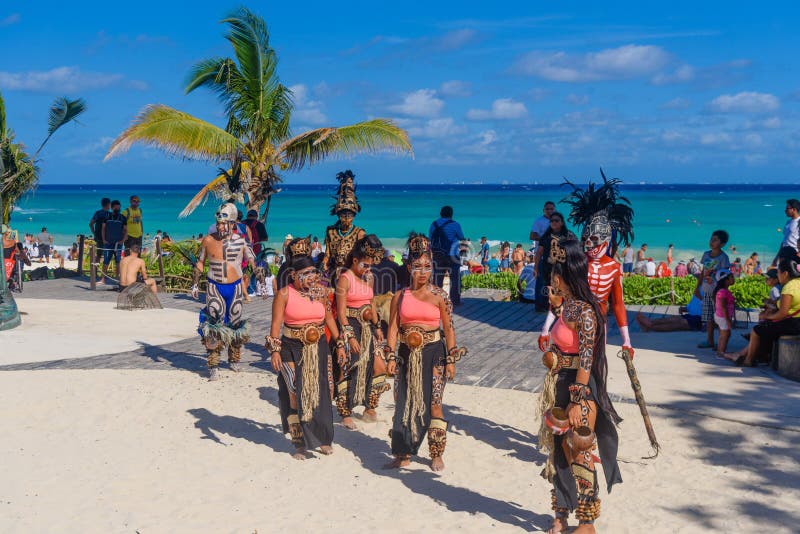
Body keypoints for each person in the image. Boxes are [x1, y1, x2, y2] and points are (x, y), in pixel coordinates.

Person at [536, 239, 621, 533]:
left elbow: (586, 358)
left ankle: (587, 521)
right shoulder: (567, 306)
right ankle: (560, 514)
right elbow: (564, 346)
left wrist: (577, 398)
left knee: (581, 448)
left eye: (554, 274)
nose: (552, 279)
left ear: (566, 274)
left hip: (579, 389)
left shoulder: (585, 312)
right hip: (559, 383)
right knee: (559, 450)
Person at [385, 234, 465, 472]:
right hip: (405, 354)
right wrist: (390, 356)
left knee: (434, 404)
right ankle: (403, 453)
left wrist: (451, 359)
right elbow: (392, 328)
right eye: (417, 267)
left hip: (434, 353)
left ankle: (436, 453)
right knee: (403, 402)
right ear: (408, 267)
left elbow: (449, 328)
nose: (422, 272)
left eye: (427, 267)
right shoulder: (399, 297)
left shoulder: (440, 296)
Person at [544, 174, 635, 359]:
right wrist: (546, 328)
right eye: (586, 240)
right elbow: (559, 297)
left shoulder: (614, 268)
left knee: (596, 367)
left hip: (599, 324)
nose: (590, 246)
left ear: (606, 241)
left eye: (595, 240)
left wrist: (626, 340)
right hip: (571, 322)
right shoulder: (578, 262)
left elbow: (618, 304)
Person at [266, 254, 346, 459]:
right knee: (294, 392)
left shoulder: (321, 293)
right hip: (291, 348)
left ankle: (324, 439)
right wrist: (274, 350)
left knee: (323, 391)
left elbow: (329, 318)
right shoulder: (284, 294)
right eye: (306, 274)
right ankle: (299, 443)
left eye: (314, 272)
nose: (312, 277)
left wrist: (339, 344)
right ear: (293, 275)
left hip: (318, 347)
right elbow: (276, 325)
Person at [191, 203, 256, 381]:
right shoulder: (208, 240)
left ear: (232, 223)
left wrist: (257, 270)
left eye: (223, 223)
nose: (219, 227)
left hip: (234, 286)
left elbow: (251, 258)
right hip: (214, 285)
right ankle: (213, 364)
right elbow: (200, 262)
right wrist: (195, 284)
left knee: (235, 323)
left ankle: (234, 359)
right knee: (214, 323)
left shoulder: (241, 241)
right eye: (218, 223)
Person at [334, 235, 389, 429]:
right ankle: (345, 411)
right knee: (347, 366)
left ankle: (370, 406)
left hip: (367, 329)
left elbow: (371, 303)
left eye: (371, 265)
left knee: (380, 367)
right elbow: (340, 312)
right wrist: (348, 335)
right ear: (355, 260)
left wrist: (378, 326)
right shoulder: (344, 279)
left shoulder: (369, 278)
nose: (368, 269)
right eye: (365, 265)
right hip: (350, 326)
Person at [724, 257, 800, 366]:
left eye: (778, 273)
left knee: (757, 330)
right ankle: (740, 354)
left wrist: (767, 316)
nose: (778, 276)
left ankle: (748, 360)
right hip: (796, 322)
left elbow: (782, 313)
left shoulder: (789, 287)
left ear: (786, 273)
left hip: (793, 324)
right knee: (763, 328)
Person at [322, 170, 366, 279]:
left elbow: (362, 257)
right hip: (333, 273)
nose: (346, 218)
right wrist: (323, 266)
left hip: (352, 274)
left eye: (349, 215)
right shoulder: (331, 232)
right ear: (338, 215)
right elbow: (327, 254)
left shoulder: (359, 233)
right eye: (343, 214)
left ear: (354, 215)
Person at [533, 212, 577, 311]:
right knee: (546, 289)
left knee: (564, 289)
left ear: (561, 222)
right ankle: (543, 307)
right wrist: (536, 267)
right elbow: (539, 253)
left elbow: (576, 250)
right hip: (547, 268)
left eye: (556, 220)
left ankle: (563, 308)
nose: (553, 222)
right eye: (551, 221)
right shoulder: (546, 236)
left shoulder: (569, 235)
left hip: (563, 268)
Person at [696, 230, 731, 349]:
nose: (712, 242)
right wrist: (697, 287)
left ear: (722, 244)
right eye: (711, 239)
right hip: (706, 290)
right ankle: (709, 340)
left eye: (715, 240)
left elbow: (726, 276)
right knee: (708, 317)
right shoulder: (706, 255)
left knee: (720, 317)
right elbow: (702, 272)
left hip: (718, 293)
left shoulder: (724, 258)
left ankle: (721, 341)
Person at [429, 205, 465, 305]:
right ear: (451, 214)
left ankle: (436, 301)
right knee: (455, 279)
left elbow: (431, 239)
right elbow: (462, 239)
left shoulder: (434, 224)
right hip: (453, 256)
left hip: (438, 255)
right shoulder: (455, 224)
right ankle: (455, 300)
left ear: (441, 213)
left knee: (437, 279)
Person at [636, 294, 703, 332]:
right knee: (675, 318)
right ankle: (651, 323)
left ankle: (651, 327)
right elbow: (696, 303)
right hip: (693, 315)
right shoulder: (701, 287)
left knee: (682, 322)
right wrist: (686, 308)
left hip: (701, 319)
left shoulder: (708, 287)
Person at [101, 201, 127, 284]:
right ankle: (103, 279)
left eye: (119, 207)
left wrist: (122, 241)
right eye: (116, 207)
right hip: (108, 243)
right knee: (106, 261)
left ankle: (117, 279)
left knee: (118, 261)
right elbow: (103, 228)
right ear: (112, 208)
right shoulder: (107, 216)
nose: (118, 209)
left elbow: (126, 230)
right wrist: (104, 239)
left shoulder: (123, 218)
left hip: (118, 244)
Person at [713, 269, 735, 357]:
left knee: (725, 334)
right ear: (725, 280)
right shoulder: (722, 291)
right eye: (731, 277)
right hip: (723, 317)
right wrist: (728, 320)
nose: (734, 279)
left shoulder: (723, 290)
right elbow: (723, 307)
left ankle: (720, 350)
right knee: (724, 335)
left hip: (721, 316)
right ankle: (720, 352)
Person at [773, 199, 800, 265]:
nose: (785, 211)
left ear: (794, 209)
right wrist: (776, 257)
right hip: (784, 252)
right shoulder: (788, 222)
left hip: (794, 252)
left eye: (787, 208)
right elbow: (785, 241)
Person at [89, 198, 111, 262]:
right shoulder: (110, 214)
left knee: (99, 254)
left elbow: (90, 224)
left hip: (99, 236)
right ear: (108, 204)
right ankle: (104, 270)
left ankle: (95, 270)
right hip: (108, 237)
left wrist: (94, 233)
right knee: (108, 254)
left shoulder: (98, 213)